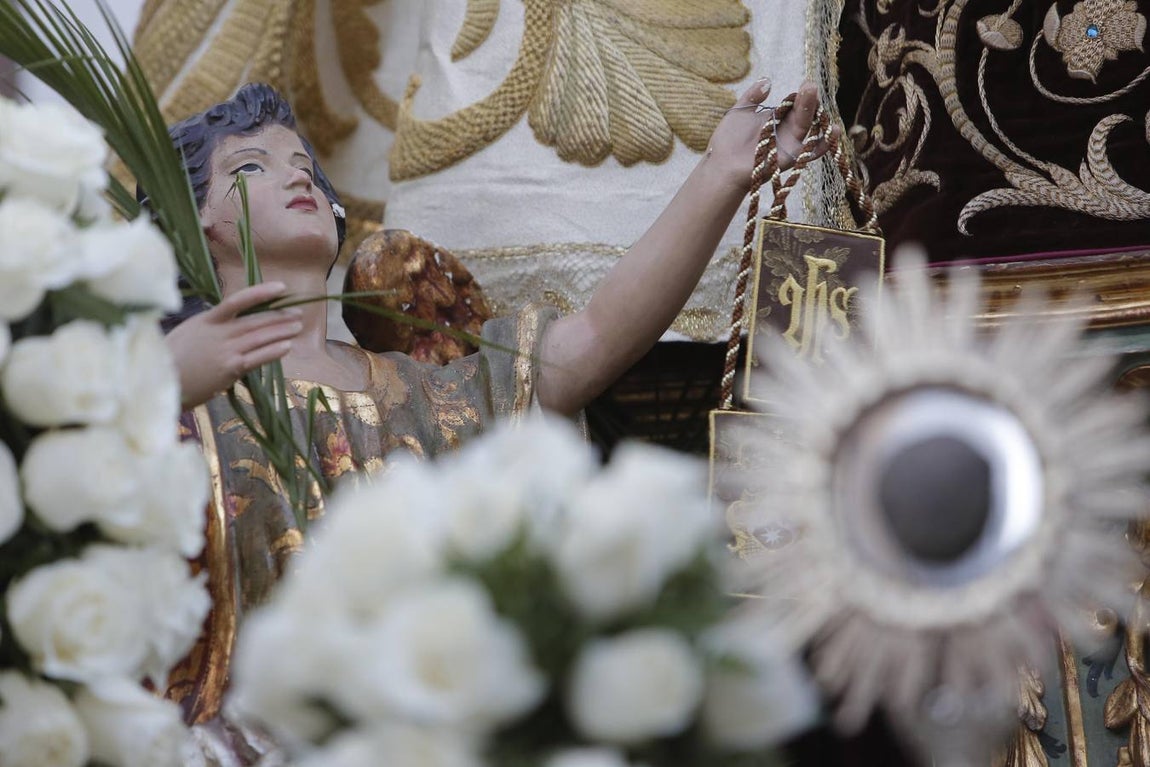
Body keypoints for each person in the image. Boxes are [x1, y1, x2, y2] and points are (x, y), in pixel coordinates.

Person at [157, 80, 833, 761]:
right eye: (250, 168)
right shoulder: (173, 401)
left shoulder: (428, 395)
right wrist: (159, 381)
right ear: (197, 219)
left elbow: (590, 342)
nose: (292, 178)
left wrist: (720, 173)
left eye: (304, 166)